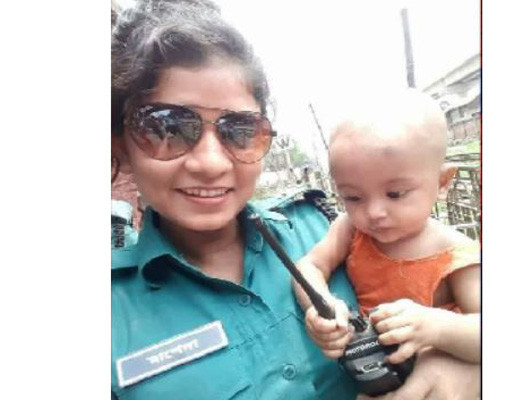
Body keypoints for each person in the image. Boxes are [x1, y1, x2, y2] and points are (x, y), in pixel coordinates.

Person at [111, 0, 480, 398]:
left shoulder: (329, 227)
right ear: (119, 146)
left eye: (240, 129)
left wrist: (464, 370)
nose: (211, 162)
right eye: (167, 128)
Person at [293, 90, 481, 367]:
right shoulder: (350, 229)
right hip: (373, 372)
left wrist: (437, 327)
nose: (374, 212)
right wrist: (321, 305)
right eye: (353, 197)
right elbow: (308, 267)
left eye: (395, 194)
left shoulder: (457, 254)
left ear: (442, 183)